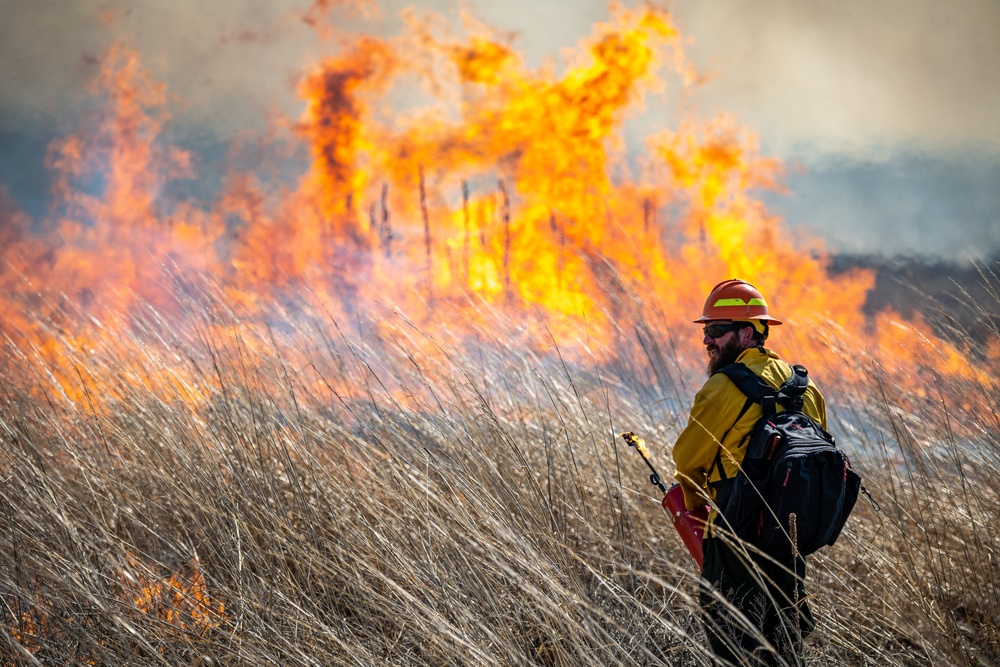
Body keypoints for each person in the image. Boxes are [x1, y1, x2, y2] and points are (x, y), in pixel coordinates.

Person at [672, 279, 827, 666]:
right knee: (785, 637)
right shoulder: (805, 388)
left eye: (716, 331)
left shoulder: (723, 387)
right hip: (790, 538)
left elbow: (688, 461)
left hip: (736, 528)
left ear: (747, 333)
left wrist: (699, 510)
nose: (707, 340)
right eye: (706, 331)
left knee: (730, 632)